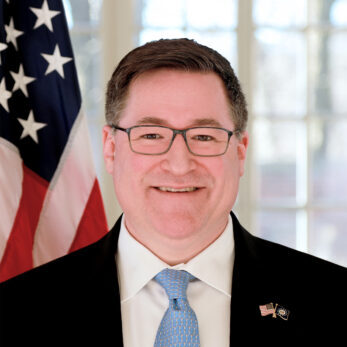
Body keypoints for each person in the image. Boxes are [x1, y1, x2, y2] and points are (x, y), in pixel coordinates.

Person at [0, 38, 346, 346]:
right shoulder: (20, 312)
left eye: (204, 136)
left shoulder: (331, 302)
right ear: (110, 149)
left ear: (240, 151)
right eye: (151, 135)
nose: (179, 164)